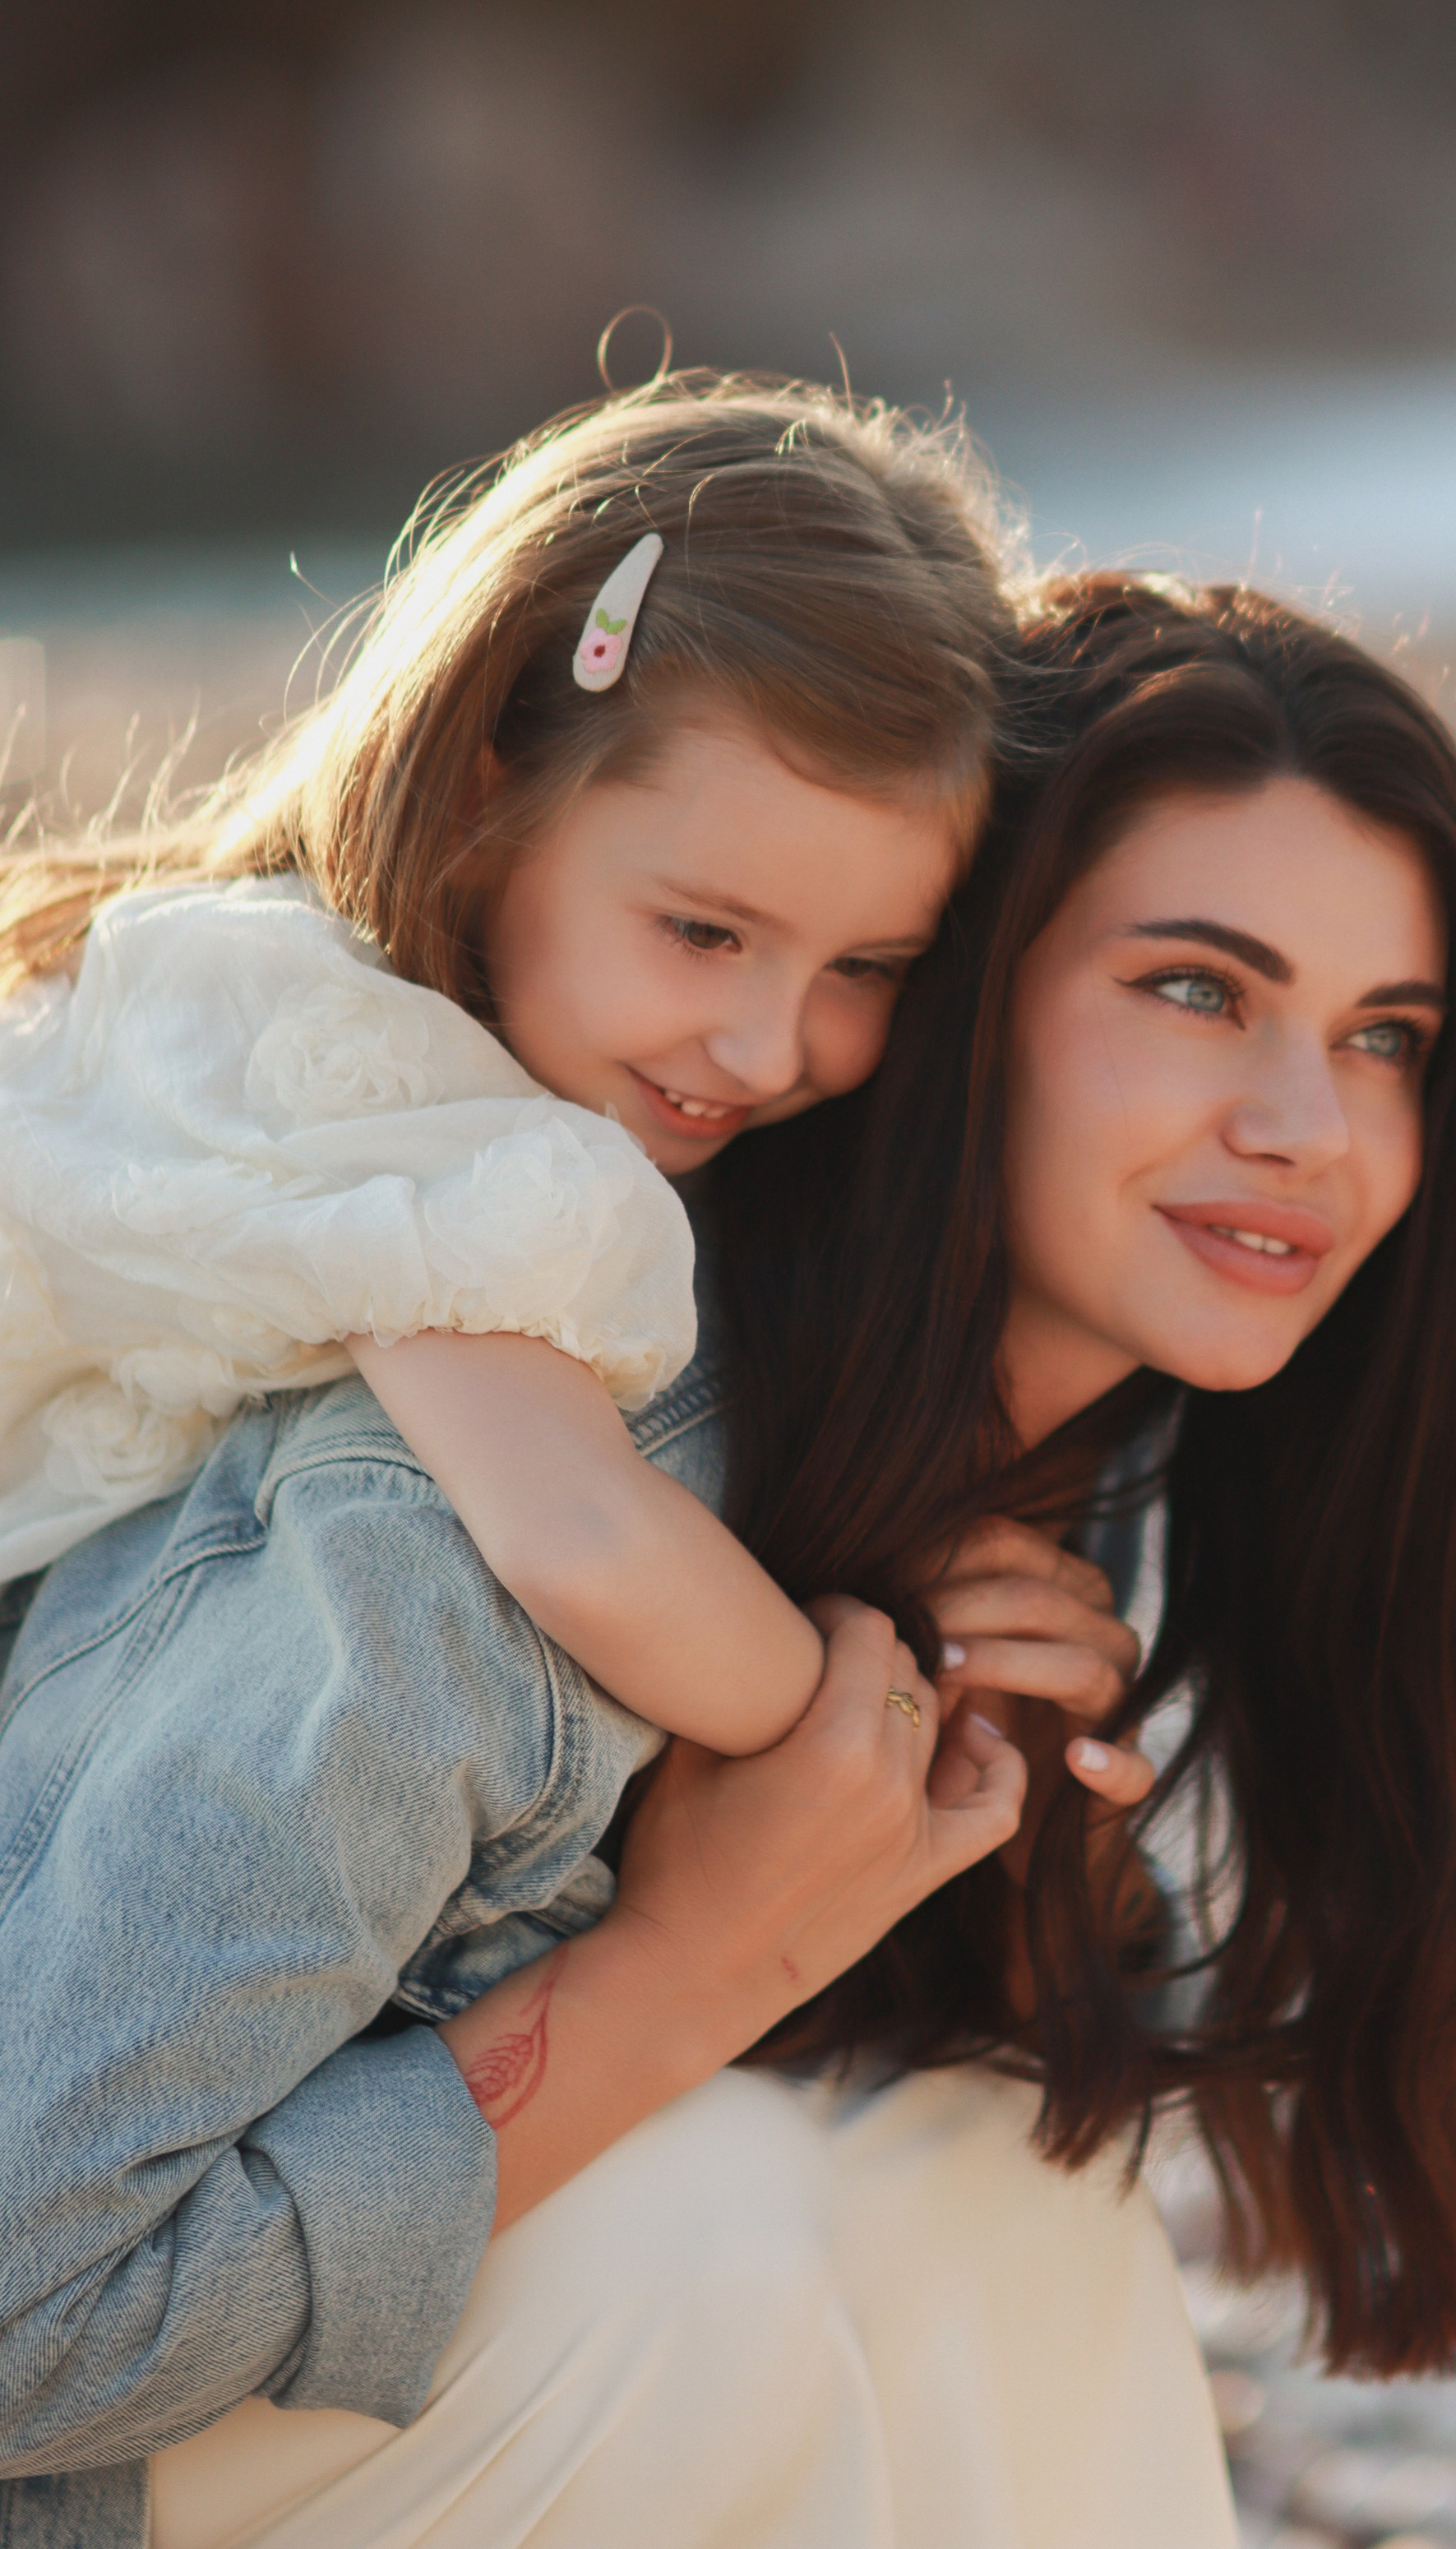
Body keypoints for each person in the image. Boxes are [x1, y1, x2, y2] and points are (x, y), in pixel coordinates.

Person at [0, 576, 1456, 2548]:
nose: (1301, 1126)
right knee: (714, 2248)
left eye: (1386, 1037)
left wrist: (990, 1863)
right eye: (1196, 988)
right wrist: (686, 1966)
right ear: (952, 993)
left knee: (985, 2189)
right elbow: (27, 2313)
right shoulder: (479, 1514)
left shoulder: (941, 1524)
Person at [0, 366, 1019, 1764]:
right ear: (492, 789)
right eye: (706, 932)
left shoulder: (300, 973)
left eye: (866, 967)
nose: (768, 1047)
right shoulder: (368, 1068)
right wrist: (893, 1723)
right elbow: (583, 1541)